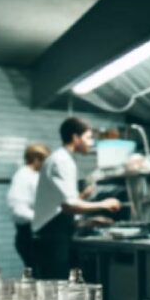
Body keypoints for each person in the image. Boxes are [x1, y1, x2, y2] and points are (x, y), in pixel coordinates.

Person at [33, 117, 121, 280]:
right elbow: (69, 206)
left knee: (55, 287)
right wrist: (105, 204)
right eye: (88, 138)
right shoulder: (62, 160)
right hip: (53, 238)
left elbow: (60, 207)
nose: (91, 143)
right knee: (56, 287)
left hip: (53, 233)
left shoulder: (60, 158)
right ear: (75, 137)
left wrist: (87, 222)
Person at [6, 143, 50, 270]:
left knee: (40, 276)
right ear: (36, 159)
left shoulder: (34, 175)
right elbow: (18, 210)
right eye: (46, 161)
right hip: (28, 235)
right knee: (38, 276)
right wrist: (46, 219)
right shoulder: (23, 176)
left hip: (34, 234)